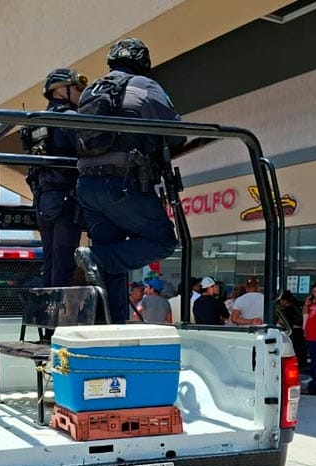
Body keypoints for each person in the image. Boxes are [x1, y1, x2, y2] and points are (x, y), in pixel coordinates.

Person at [73, 37, 183, 323]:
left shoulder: (90, 91)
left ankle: (109, 325)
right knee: (163, 241)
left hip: (87, 187)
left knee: (112, 262)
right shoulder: (145, 86)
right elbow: (176, 133)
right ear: (143, 62)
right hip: (122, 185)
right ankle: (96, 258)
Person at [25, 68, 88, 287]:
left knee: (51, 262)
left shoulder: (38, 121)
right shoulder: (70, 118)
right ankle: (58, 309)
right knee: (64, 266)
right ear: (60, 90)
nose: (81, 92)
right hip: (66, 198)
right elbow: (89, 149)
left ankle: (47, 307)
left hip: (44, 199)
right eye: (77, 88)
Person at [277, 290, 308, 367]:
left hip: (292, 333)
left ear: (285, 300)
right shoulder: (297, 306)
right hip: (299, 332)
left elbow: (282, 322)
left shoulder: (287, 310)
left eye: (281, 300)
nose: (280, 302)